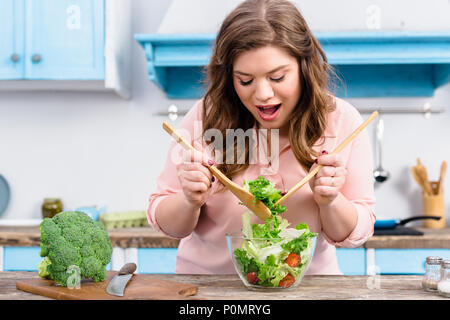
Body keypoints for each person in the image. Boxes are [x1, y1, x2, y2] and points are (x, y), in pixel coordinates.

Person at [147, 0, 375, 275]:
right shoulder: (206, 116)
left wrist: (331, 200)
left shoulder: (341, 120)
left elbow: (354, 233)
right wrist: (188, 200)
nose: (263, 94)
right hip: (208, 289)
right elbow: (166, 220)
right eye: (245, 80)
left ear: (304, 67)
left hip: (308, 289)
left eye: (277, 77)